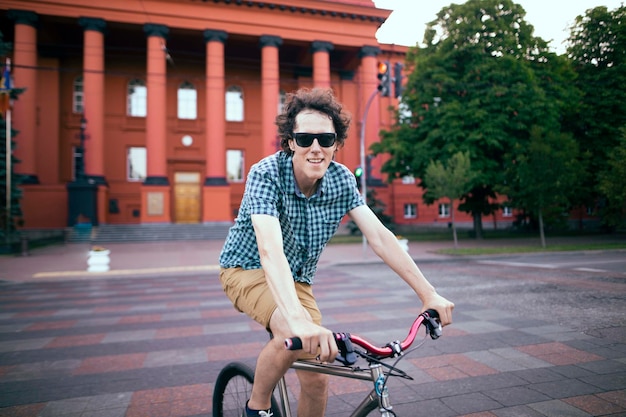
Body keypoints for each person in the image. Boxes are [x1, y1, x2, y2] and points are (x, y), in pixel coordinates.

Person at [219, 87, 454, 417]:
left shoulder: (342, 179)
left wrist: (428, 294)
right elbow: (269, 249)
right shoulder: (266, 173)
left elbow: (381, 237)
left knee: (317, 378)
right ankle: (257, 408)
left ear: (336, 143)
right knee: (291, 330)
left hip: (297, 280)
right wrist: (298, 320)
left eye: (326, 140)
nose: (315, 148)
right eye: (305, 139)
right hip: (246, 268)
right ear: (289, 142)